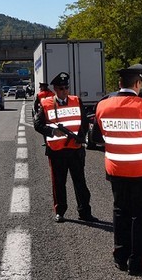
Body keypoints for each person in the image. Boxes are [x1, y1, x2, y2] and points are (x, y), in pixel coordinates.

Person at [92, 63, 142, 276]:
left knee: (120, 212)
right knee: (140, 217)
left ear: (119, 84)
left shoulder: (103, 106)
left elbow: (95, 139)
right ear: (138, 83)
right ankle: (136, 262)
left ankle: (120, 257)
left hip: (116, 169)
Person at [34, 72, 98, 223]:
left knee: (80, 182)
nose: (64, 91)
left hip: (75, 149)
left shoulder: (76, 101)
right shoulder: (46, 103)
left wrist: (81, 139)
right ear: (55, 89)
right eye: (61, 88)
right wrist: (51, 131)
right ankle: (60, 211)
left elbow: (83, 122)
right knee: (59, 183)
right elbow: (38, 124)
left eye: (66, 87)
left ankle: (85, 212)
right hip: (57, 151)